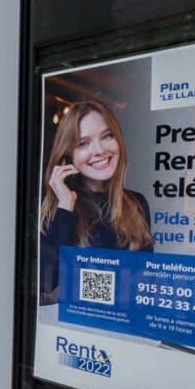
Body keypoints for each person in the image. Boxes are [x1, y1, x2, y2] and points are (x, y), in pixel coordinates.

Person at [39, 99, 154, 298]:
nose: (99, 150)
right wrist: (66, 207)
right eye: (83, 143)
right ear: (68, 155)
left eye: (107, 136)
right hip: (79, 323)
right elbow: (45, 282)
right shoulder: (56, 207)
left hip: (126, 320)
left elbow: (143, 281)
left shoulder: (136, 203)